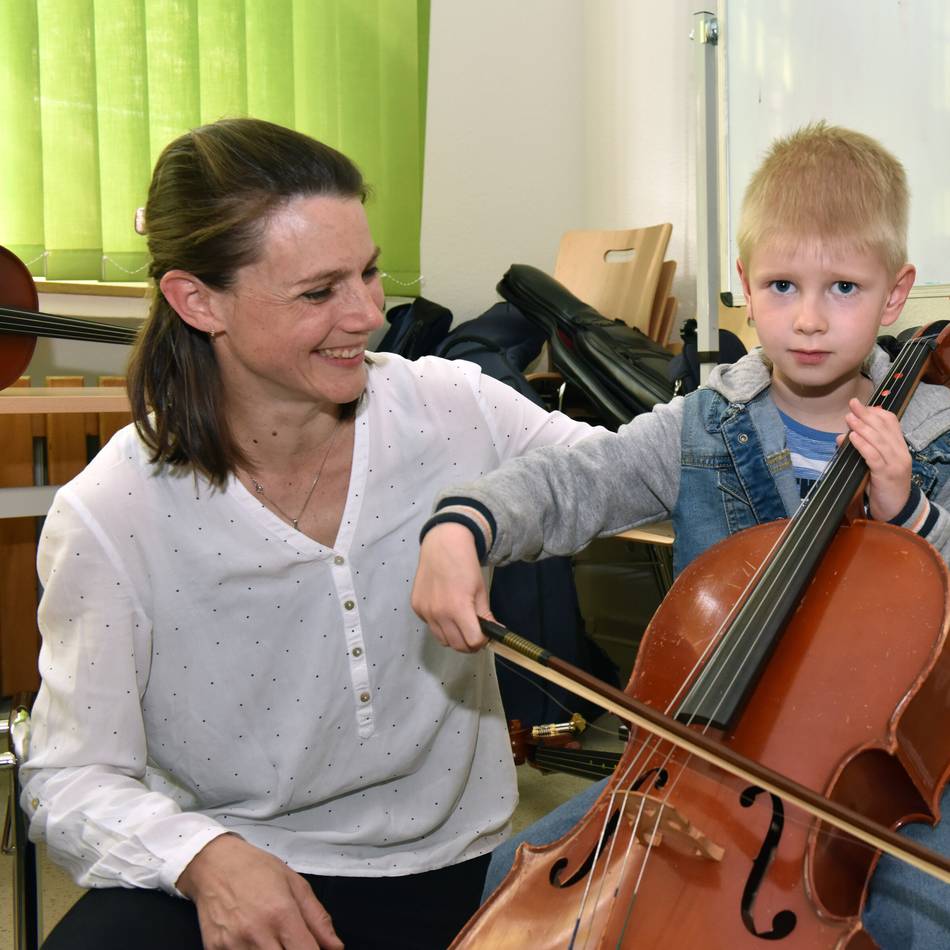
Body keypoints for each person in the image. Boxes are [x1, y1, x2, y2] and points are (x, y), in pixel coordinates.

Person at [20, 117, 596, 950]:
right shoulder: (112, 513)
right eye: (320, 292)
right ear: (197, 300)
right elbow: (71, 776)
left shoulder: (450, 405)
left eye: (369, 272)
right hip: (255, 870)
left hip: (464, 868)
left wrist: (791, 397)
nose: (368, 313)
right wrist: (202, 856)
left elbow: (628, 476)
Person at [411, 122, 950, 946]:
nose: (807, 319)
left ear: (895, 293)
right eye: (780, 286)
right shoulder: (705, 425)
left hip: (886, 771)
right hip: (700, 758)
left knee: (923, 917)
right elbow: (574, 482)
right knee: (516, 875)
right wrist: (466, 523)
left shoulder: (936, 433)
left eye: (843, 288)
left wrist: (909, 512)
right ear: (741, 285)